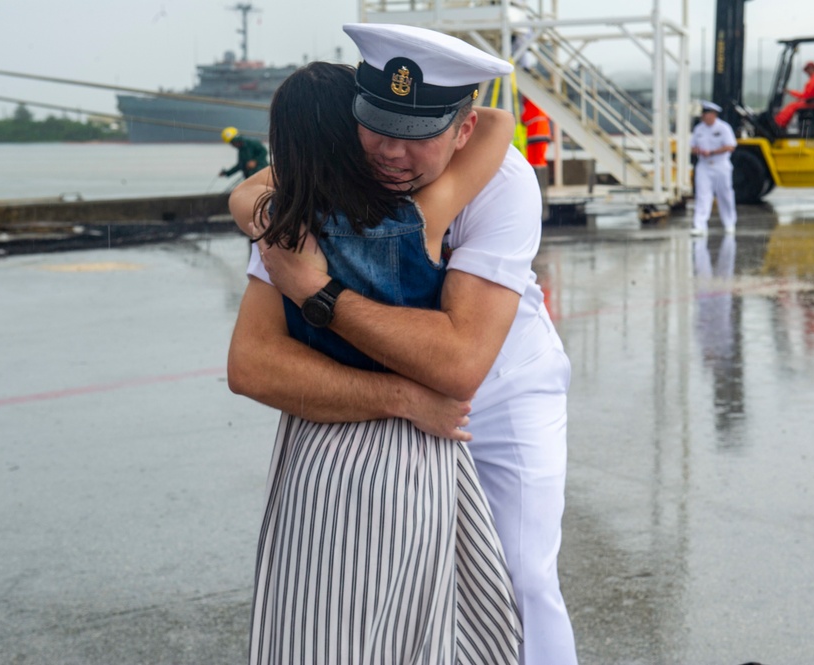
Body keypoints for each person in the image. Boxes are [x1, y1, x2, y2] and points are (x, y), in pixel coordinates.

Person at [229, 23, 579, 665]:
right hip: (392, 402)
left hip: (502, 390)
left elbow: (461, 364)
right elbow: (252, 362)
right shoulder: (319, 178)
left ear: (461, 130)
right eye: (376, 126)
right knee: (385, 595)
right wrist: (396, 394)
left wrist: (316, 290)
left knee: (521, 577)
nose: (390, 152)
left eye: (417, 135)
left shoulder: (502, 183)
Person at [690, 101, 738, 236]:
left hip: (720, 165)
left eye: (707, 114)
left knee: (725, 195)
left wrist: (712, 152)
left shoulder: (723, 128)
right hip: (704, 165)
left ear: (714, 115)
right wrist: (699, 151)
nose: (705, 117)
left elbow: (731, 146)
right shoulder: (699, 129)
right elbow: (692, 147)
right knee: (702, 195)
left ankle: (729, 223)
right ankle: (699, 225)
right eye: (704, 114)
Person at [774, 61, 814, 129]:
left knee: (792, 106)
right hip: (812, 101)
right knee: (793, 105)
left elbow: (807, 94)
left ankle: (779, 123)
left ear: (812, 69)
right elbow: (806, 95)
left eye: (807, 70)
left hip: (813, 103)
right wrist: (791, 92)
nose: (807, 72)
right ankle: (780, 122)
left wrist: (791, 92)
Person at [522, 96, 552, 169]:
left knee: (531, 161)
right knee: (540, 160)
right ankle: (541, 178)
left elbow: (524, 119)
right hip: (542, 134)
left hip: (533, 135)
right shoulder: (541, 103)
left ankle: (533, 177)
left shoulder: (530, 104)